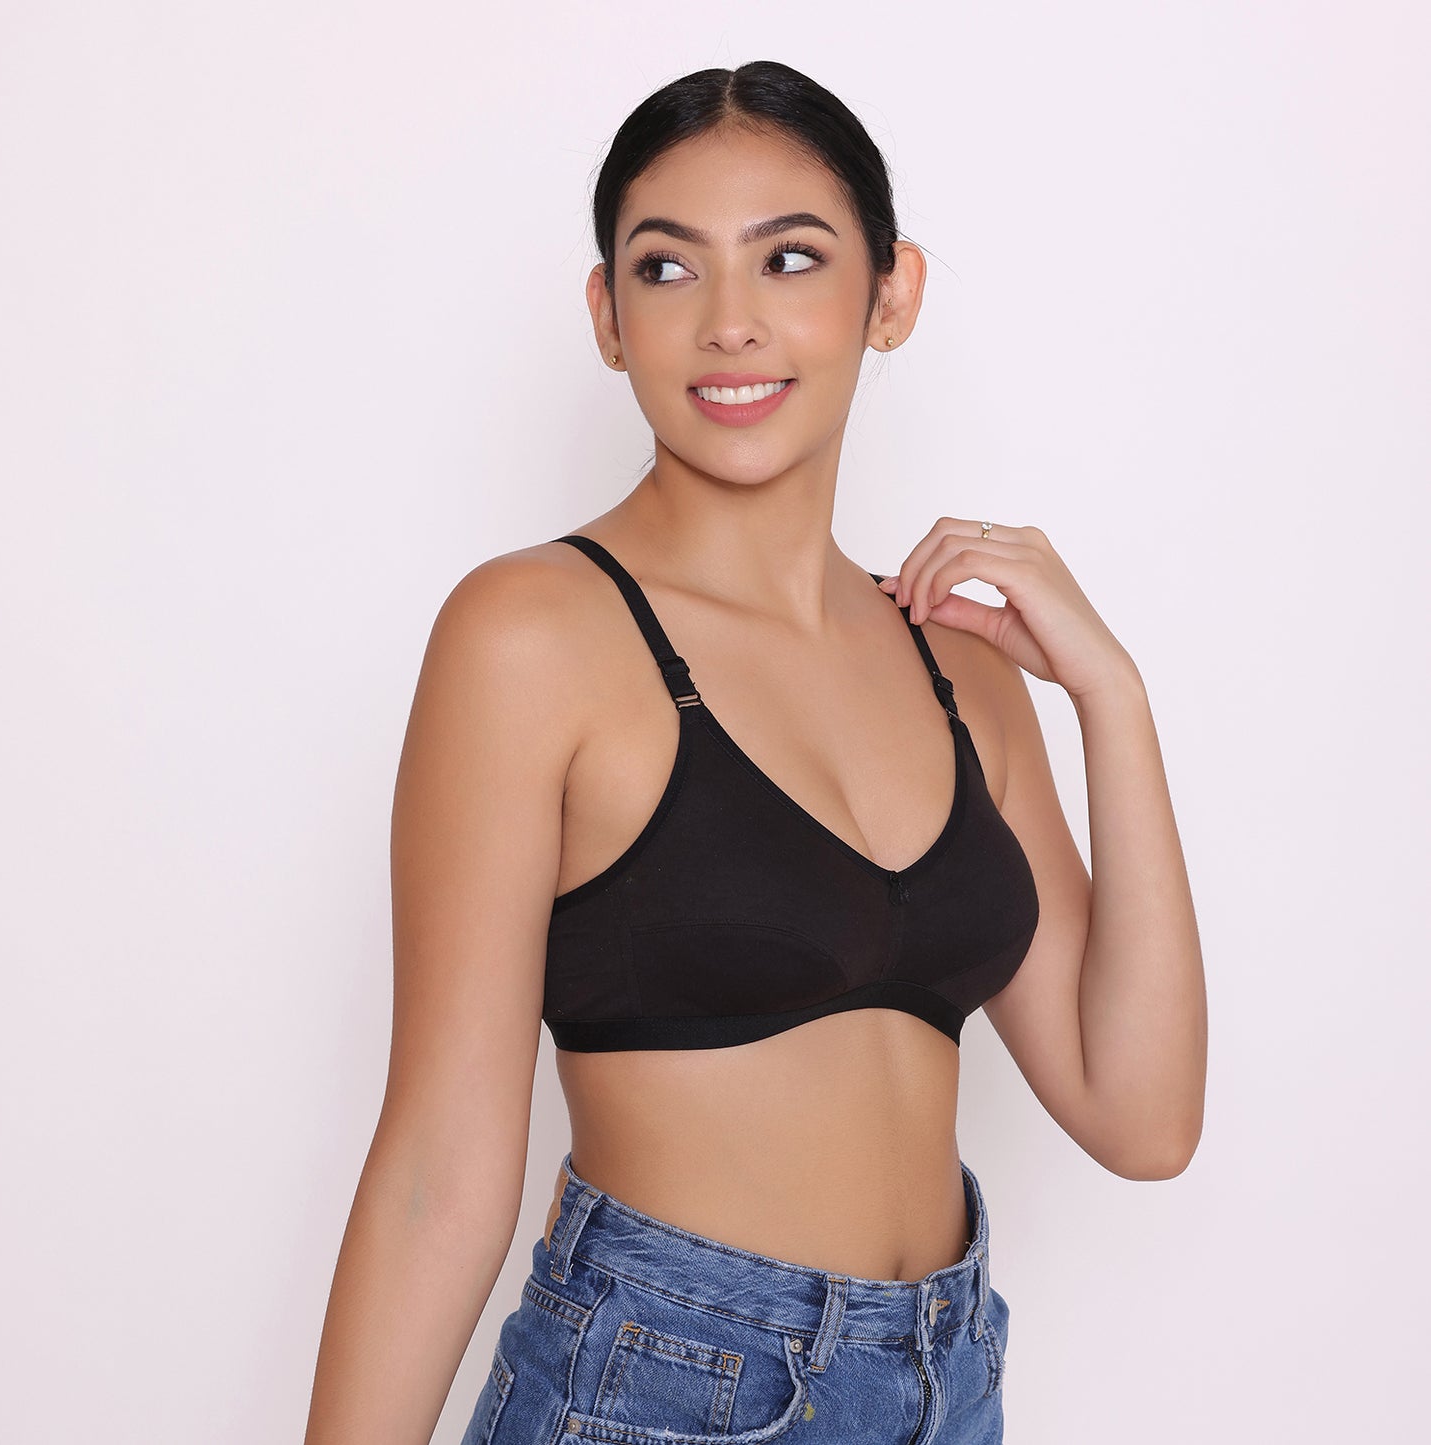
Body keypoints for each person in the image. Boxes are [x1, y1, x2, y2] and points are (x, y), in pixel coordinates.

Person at [303, 61, 1207, 1445]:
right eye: (668, 269)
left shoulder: (960, 672)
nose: (729, 321)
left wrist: (1113, 696)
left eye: (790, 258)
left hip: (948, 1383)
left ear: (891, 294)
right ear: (607, 316)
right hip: (658, 1389)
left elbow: (1140, 1116)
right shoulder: (531, 636)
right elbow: (438, 1168)